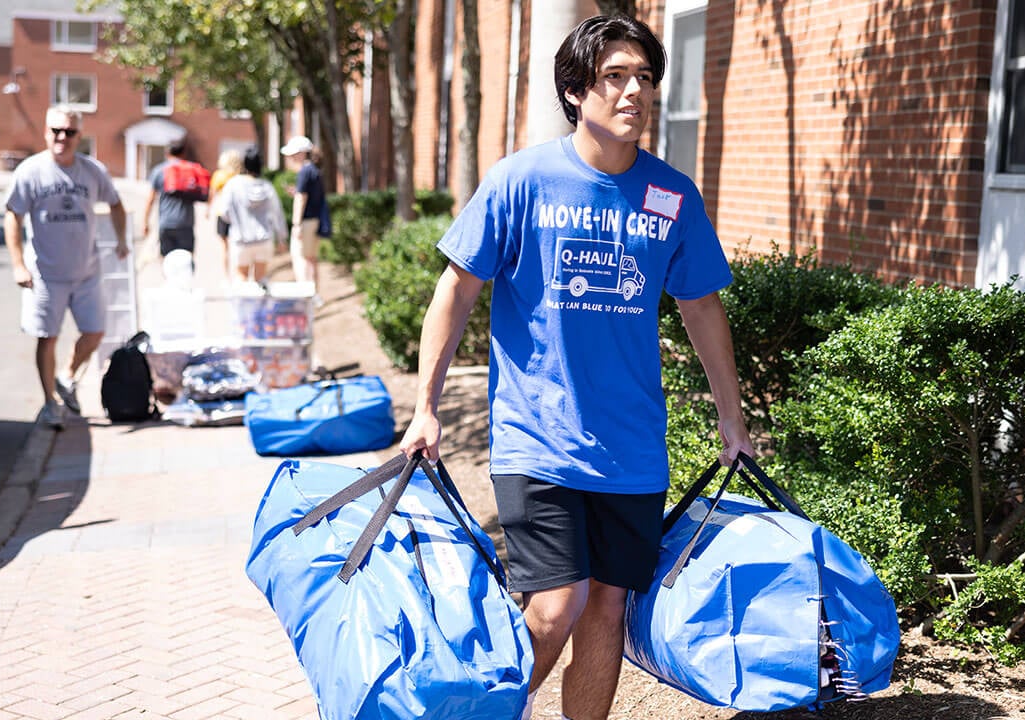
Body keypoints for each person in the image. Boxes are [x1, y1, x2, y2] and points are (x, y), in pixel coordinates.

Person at [398, 15, 754, 720]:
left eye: (645, 78)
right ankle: (486, 713)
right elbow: (457, 288)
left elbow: (703, 309)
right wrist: (425, 405)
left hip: (632, 449)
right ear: (575, 91)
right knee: (559, 603)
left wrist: (733, 422)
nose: (634, 93)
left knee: (608, 609)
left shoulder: (672, 196)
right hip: (538, 437)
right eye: (614, 77)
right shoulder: (521, 181)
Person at [4, 106, 128, 430]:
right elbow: (12, 217)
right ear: (46, 133)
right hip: (46, 274)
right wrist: (18, 264)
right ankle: (49, 403)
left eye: (69, 132)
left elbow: (116, 203)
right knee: (47, 337)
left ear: (79, 136)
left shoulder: (92, 171)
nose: (62, 138)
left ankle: (67, 376)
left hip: (86, 271)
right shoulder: (31, 172)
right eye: (56, 131)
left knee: (95, 331)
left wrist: (122, 239)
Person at [216, 146, 286, 283]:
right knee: (260, 279)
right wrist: (282, 238)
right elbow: (277, 214)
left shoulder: (233, 185)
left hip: (241, 239)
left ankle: (242, 304)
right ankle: (259, 304)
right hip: (264, 239)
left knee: (241, 277)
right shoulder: (267, 186)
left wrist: (236, 221)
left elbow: (224, 212)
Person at [280, 135, 325, 299]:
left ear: (300, 153)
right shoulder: (313, 170)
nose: (290, 158)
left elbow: (302, 198)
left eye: (292, 154)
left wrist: (296, 224)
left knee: (301, 258)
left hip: (305, 222)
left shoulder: (304, 172)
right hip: (314, 220)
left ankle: (305, 294)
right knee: (311, 258)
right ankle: (314, 293)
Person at [143, 138, 201, 264]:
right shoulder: (190, 170)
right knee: (186, 261)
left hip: (166, 223)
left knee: (166, 261)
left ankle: (169, 283)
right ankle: (185, 283)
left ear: (167, 152)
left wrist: (145, 222)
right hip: (186, 223)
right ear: (184, 152)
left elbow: (151, 199)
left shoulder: (159, 171)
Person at [209, 148, 244, 279]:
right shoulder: (240, 176)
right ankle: (238, 275)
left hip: (222, 213)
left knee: (225, 248)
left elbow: (212, 194)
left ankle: (226, 277)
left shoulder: (219, 175)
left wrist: (208, 210)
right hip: (238, 214)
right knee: (238, 246)